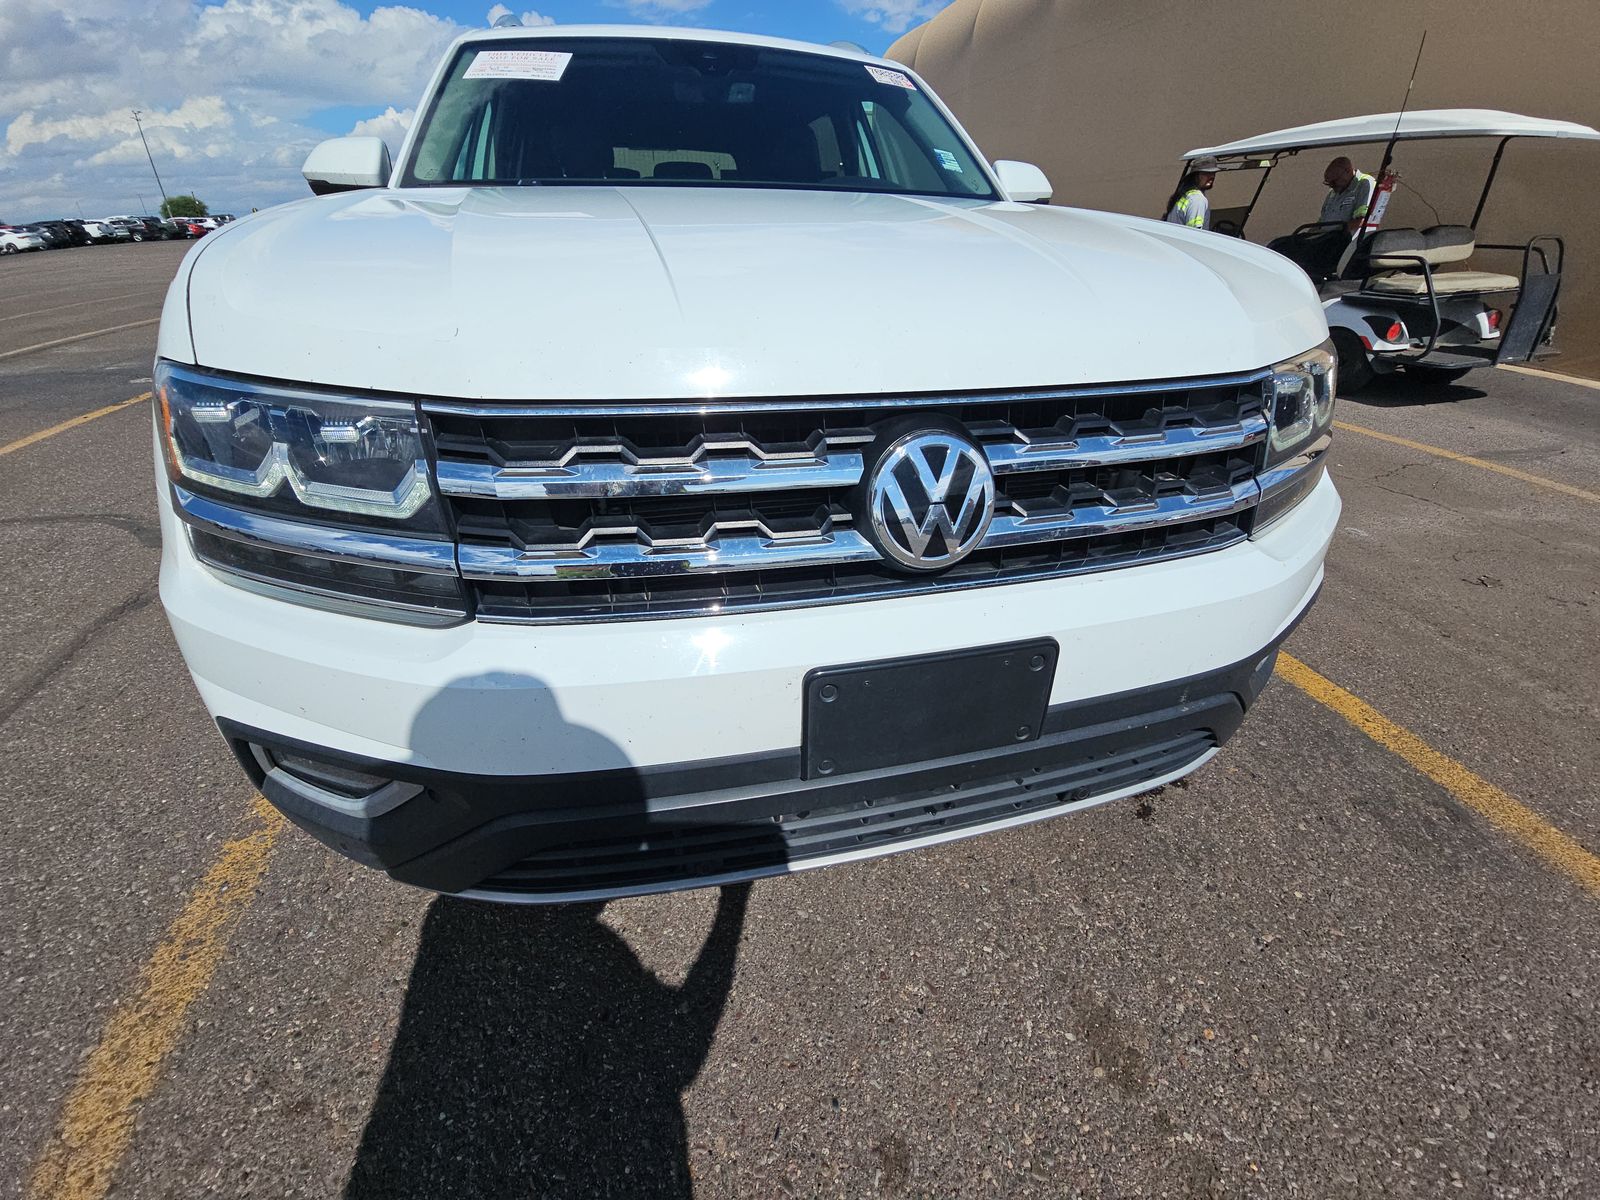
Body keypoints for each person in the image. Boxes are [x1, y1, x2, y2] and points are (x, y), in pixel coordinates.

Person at [1319, 156, 1377, 233]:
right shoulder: (1333, 192)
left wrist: (1333, 235)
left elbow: (1361, 221)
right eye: (1328, 183)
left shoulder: (1365, 184)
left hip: (1347, 240)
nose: (1331, 186)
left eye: (1334, 182)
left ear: (1348, 171)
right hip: (1325, 239)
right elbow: (1320, 223)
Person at [1164, 156, 1220, 229]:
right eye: (1205, 173)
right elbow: (1195, 232)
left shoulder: (1185, 194)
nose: (1211, 176)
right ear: (1195, 176)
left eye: (1213, 173)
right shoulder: (1198, 199)